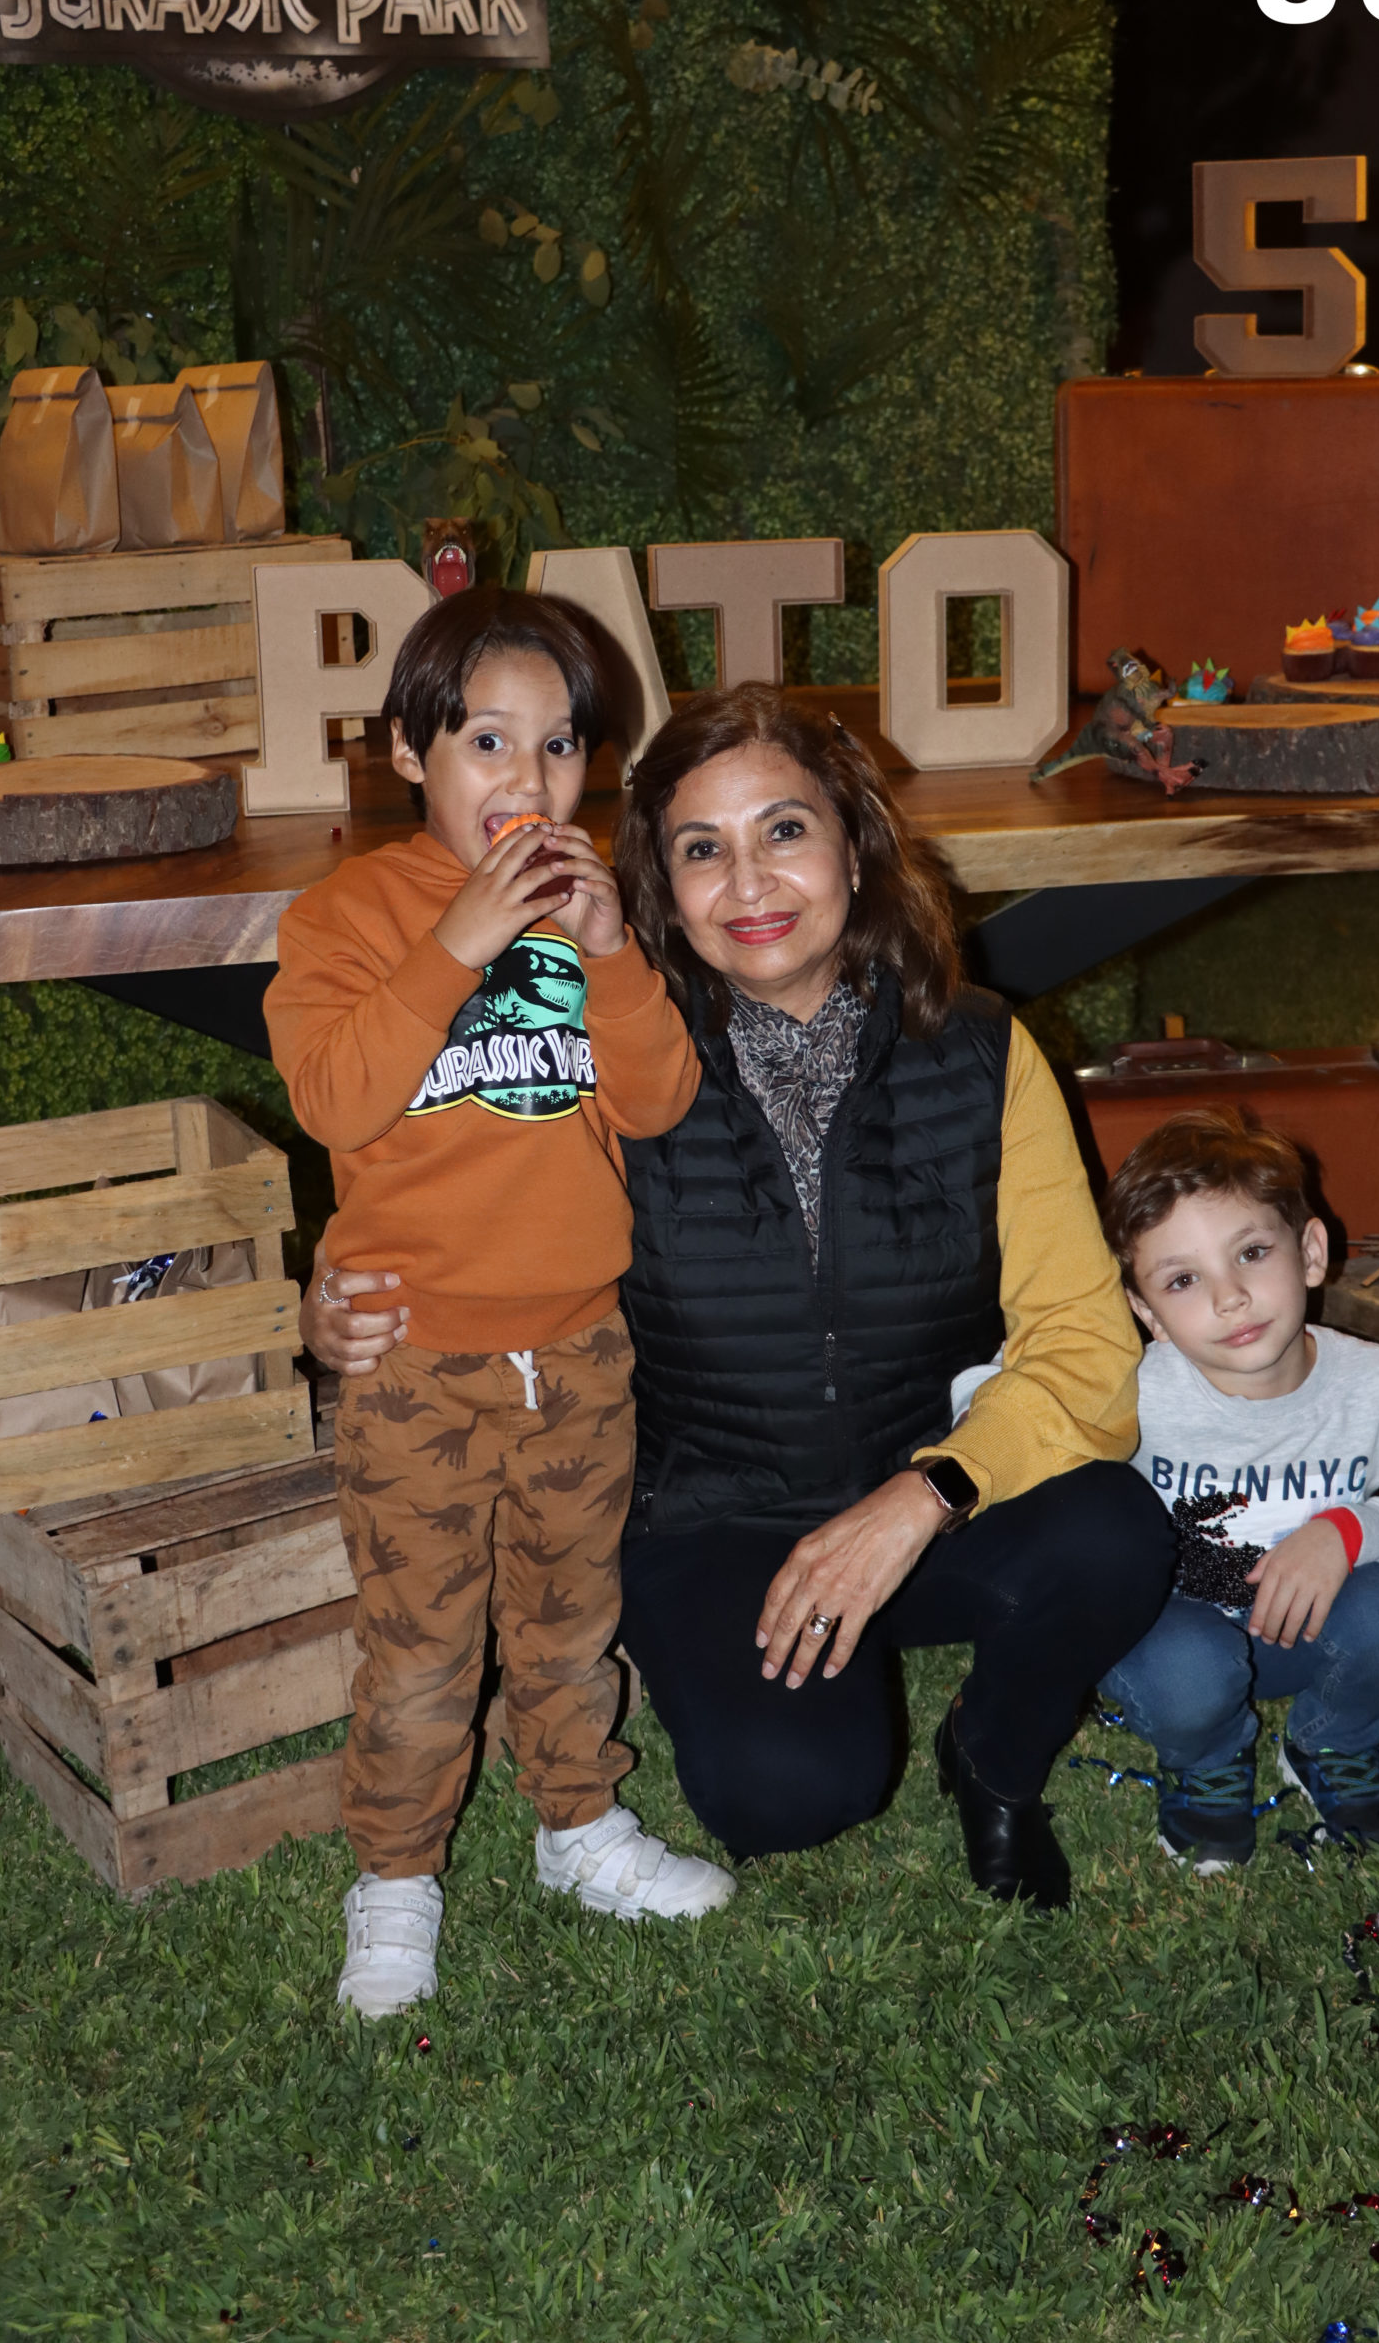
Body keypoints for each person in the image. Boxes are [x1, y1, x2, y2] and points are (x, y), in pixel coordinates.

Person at [308, 684, 1176, 1915]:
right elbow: (445, 1189)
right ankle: (794, 1682)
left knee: (1116, 1533)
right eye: (700, 850)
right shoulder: (618, 1060)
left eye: (784, 830)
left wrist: (926, 1493)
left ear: (856, 845)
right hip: (718, 1515)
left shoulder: (980, 1051)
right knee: (787, 1796)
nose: (750, 884)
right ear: (658, 887)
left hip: (922, 1501)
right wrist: (326, 1295)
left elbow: (1084, 1342)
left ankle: (991, 1756)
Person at [264, 588, 734, 2022]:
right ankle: (396, 1877)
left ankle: (576, 1825)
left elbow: (657, 1100)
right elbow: (333, 1092)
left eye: (556, 749)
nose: (523, 784)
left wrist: (606, 953)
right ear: (410, 752)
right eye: (485, 742)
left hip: (582, 1348)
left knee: (565, 1616)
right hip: (417, 1365)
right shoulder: (344, 917)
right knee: (419, 1646)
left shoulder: (590, 916)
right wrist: (458, 940)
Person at [1099, 1107, 1379, 1876]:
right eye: (1182, 1279)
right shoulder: (1130, 1391)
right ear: (1145, 1313)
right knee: (1184, 1669)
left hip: (1312, 1637)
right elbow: (1008, 1388)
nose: (1229, 1298)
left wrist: (1351, 1532)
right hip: (1175, 1641)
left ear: (1310, 1251)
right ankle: (1209, 1758)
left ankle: (1329, 1739)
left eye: (1250, 1252)